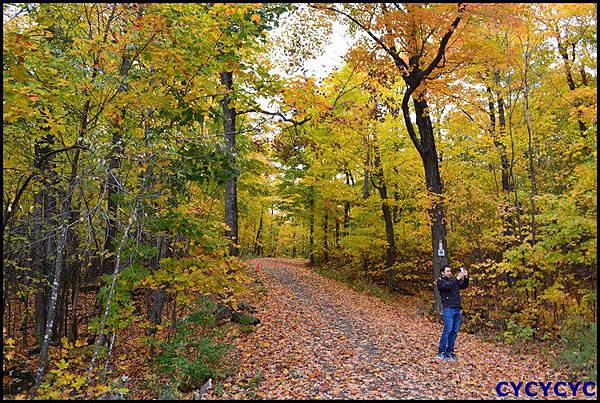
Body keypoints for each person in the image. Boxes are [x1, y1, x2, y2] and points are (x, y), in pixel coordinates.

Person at [436, 266, 469, 361]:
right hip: (448, 309)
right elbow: (447, 286)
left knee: (454, 331)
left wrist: (466, 277)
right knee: (448, 330)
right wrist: (457, 278)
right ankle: (441, 352)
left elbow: (464, 286)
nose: (449, 272)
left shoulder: (453, 282)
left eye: (450, 271)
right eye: (447, 271)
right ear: (442, 273)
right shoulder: (440, 281)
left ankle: (449, 352)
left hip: (457, 309)